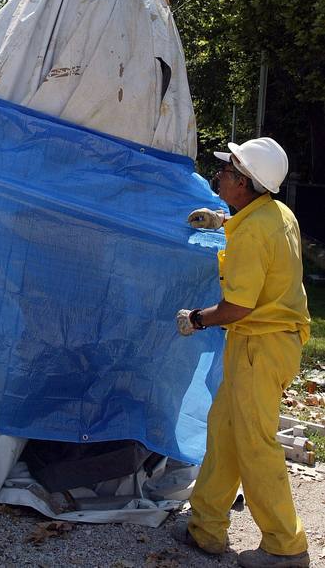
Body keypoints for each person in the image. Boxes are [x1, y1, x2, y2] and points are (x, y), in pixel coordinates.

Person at [173, 137, 311, 568]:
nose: (220, 176)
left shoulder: (252, 231)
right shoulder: (276, 213)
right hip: (263, 344)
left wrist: (196, 319)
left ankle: (286, 547)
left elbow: (237, 308)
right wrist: (221, 222)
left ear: (245, 183)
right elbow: (259, 236)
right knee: (225, 430)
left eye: (228, 172)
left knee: (255, 444)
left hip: (259, 345)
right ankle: (207, 527)